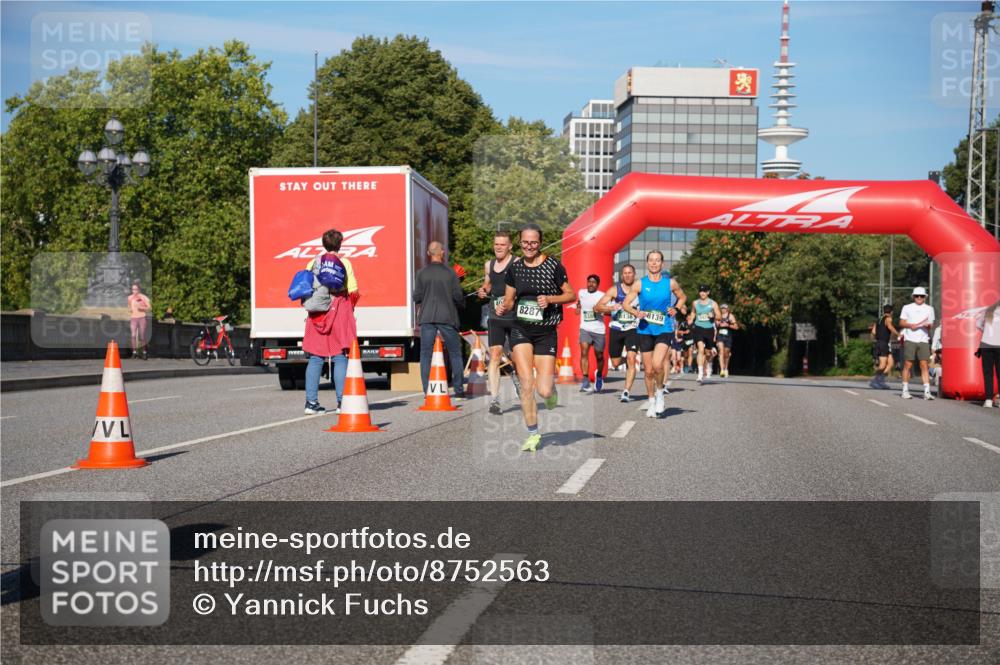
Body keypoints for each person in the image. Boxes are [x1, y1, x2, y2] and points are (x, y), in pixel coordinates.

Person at [498, 223, 575, 452]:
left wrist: (550, 300)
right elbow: (510, 299)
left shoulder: (552, 265)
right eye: (525, 242)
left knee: (544, 390)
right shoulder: (515, 268)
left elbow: (569, 294)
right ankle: (533, 433)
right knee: (526, 384)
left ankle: (551, 393)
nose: (529, 247)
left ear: (540, 243)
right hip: (521, 329)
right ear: (519, 243)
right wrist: (504, 307)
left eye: (533, 243)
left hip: (546, 331)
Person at [623, 250, 687, 418]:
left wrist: (676, 308)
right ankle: (651, 401)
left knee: (658, 364)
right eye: (651, 260)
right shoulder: (639, 284)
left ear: (662, 264)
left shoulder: (670, 283)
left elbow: (682, 297)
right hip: (645, 329)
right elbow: (625, 304)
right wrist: (636, 313)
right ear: (647, 263)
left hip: (664, 329)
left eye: (657, 260)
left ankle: (660, 394)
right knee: (649, 370)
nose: (654, 263)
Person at [302, 229, 358, 415]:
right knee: (340, 355)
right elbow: (353, 291)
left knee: (316, 357)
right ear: (340, 244)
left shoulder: (312, 262)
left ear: (323, 244)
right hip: (339, 310)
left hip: (317, 313)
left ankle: (311, 403)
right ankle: (342, 402)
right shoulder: (345, 263)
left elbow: (307, 287)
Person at [414, 241, 466, 399]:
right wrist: (461, 303)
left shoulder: (421, 273)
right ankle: (458, 390)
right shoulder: (451, 273)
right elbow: (458, 297)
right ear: (442, 253)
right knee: (455, 353)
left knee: (425, 354)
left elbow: (417, 297)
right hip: (447, 317)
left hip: (427, 317)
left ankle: (427, 390)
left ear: (428, 254)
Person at [477, 231, 516, 415]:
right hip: (495, 315)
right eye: (496, 244)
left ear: (510, 247)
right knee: (494, 355)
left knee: (517, 356)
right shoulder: (489, 265)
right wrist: (483, 290)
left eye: (502, 244)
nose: (498, 247)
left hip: (514, 315)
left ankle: (516, 376)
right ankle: (495, 399)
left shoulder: (516, 263)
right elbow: (488, 284)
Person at [596, 264, 640, 402]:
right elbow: (597, 307)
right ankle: (625, 361)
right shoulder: (615, 290)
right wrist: (610, 307)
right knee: (615, 363)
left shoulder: (640, 290)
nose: (627, 275)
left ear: (634, 274)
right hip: (616, 328)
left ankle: (626, 392)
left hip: (633, 328)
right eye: (625, 273)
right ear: (622, 275)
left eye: (630, 273)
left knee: (632, 358)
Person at [898, 286, 936, 400]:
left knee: (924, 365)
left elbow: (931, 324)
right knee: (908, 364)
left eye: (922, 296)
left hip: (923, 340)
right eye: (917, 296)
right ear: (913, 297)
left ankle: (927, 392)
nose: (919, 298)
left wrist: (928, 325)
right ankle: (905, 390)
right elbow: (901, 322)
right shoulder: (907, 307)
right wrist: (910, 325)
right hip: (910, 339)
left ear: (925, 297)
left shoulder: (929, 309)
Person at [576, 274, 607, 393]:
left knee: (599, 355)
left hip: (599, 330)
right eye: (589, 282)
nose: (591, 284)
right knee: (584, 351)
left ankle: (599, 375)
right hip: (585, 328)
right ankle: (585, 380)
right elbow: (579, 302)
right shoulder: (581, 293)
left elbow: (608, 310)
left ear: (597, 285)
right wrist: (578, 307)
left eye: (593, 282)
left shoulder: (602, 296)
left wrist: (600, 310)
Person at [688, 285, 721, 383]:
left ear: (708, 292)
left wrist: (713, 315)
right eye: (701, 291)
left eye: (704, 291)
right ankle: (700, 373)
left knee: (707, 353)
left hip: (709, 329)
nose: (702, 293)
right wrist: (691, 319)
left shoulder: (713, 304)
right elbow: (693, 312)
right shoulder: (695, 303)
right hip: (698, 328)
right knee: (700, 349)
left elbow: (719, 316)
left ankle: (708, 364)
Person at [975, 298, 1000, 408]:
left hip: (986, 344)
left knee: (988, 373)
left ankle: (989, 399)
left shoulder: (988, 310)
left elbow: (978, 324)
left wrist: (987, 331)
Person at [869, 304, 898, 390]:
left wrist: (875, 341)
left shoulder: (878, 320)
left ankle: (881, 380)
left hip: (880, 342)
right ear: (891, 312)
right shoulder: (888, 318)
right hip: (883, 343)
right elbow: (890, 327)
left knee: (891, 363)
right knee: (882, 365)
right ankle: (875, 381)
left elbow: (873, 332)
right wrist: (898, 334)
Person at [128, 281, 152, 360]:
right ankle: (134, 353)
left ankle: (144, 352)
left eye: (135, 289)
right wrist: (130, 309)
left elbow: (149, 307)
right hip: (133, 318)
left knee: (142, 336)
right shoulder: (130, 297)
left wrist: (142, 308)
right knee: (133, 335)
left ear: (139, 290)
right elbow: (129, 306)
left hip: (142, 317)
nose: (134, 291)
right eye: (132, 289)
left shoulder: (143, 297)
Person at [714, 304, 738, 378]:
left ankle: (726, 368)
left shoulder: (730, 316)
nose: (723, 309)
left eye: (724, 308)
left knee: (726, 353)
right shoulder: (718, 315)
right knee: (721, 351)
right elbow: (716, 325)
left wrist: (728, 325)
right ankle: (722, 370)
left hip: (728, 337)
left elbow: (736, 327)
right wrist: (718, 324)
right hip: (720, 336)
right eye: (721, 308)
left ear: (727, 309)